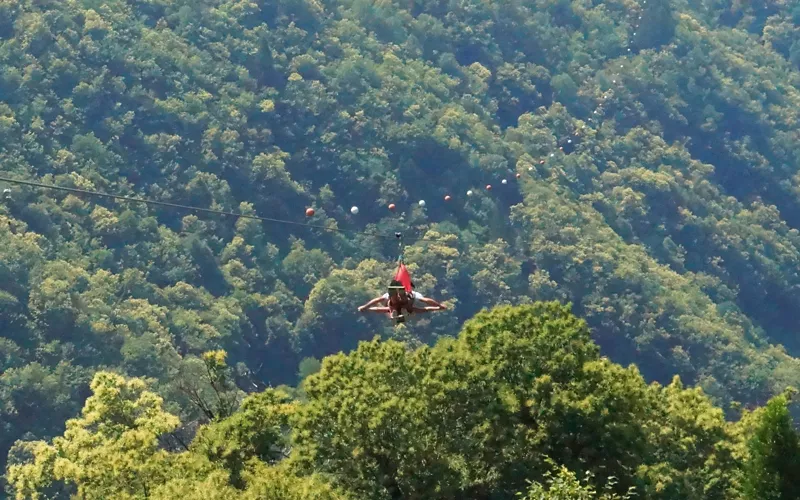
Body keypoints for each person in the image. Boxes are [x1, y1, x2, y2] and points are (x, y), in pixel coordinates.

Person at [358, 279, 446, 322]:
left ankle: (399, 294)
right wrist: (438, 307)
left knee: (394, 303)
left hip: (397, 301)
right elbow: (426, 307)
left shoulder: (390, 305)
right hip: (410, 299)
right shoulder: (411, 307)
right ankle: (402, 294)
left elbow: (378, 306)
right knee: (401, 301)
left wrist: (366, 308)